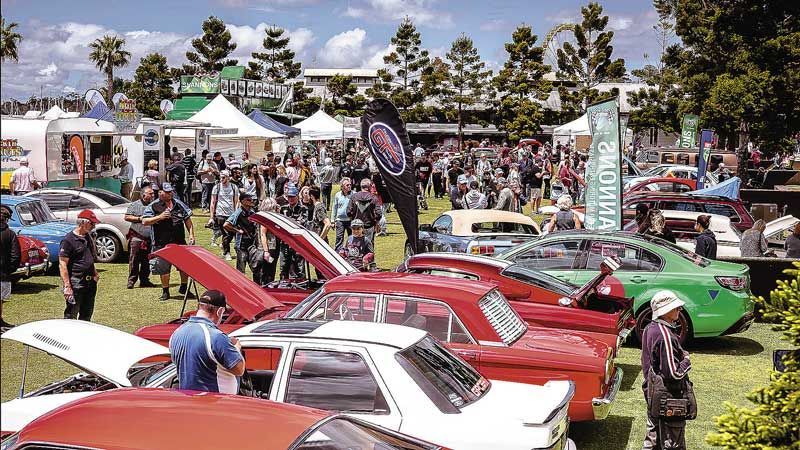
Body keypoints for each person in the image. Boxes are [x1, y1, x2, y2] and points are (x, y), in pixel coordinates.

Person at [641, 290, 693, 450]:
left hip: (653, 392)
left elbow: (648, 362)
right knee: (673, 443)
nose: (680, 310)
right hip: (669, 396)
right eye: (676, 307)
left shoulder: (650, 328)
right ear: (665, 311)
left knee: (653, 439)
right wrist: (686, 361)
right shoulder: (665, 336)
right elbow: (673, 373)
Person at [169, 289, 245, 394]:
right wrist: (236, 347)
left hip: (188, 401)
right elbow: (239, 369)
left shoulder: (176, 334)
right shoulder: (216, 337)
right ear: (220, 311)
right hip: (216, 403)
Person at [142, 182, 196, 301]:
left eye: (170, 191)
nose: (170, 193)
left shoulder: (178, 204)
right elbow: (145, 221)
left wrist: (191, 235)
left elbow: (187, 220)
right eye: (167, 192)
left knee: (184, 266)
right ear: (160, 192)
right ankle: (165, 291)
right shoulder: (153, 206)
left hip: (179, 242)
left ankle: (183, 287)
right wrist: (159, 217)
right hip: (162, 243)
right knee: (163, 267)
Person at [59, 210, 101, 321]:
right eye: (92, 223)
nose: (94, 226)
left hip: (90, 282)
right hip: (76, 282)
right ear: (83, 223)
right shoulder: (69, 240)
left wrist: (95, 273)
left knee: (87, 315)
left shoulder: (88, 237)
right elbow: (62, 264)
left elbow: (89, 258)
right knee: (71, 315)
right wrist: (67, 286)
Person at [124, 186, 157, 289]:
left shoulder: (155, 205)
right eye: (150, 194)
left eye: (153, 194)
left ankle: (144, 280)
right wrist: (139, 218)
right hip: (137, 237)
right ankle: (131, 281)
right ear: (143, 195)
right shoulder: (134, 205)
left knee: (147, 260)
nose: (152, 195)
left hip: (150, 237)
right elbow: (127, 217)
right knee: (134, 260)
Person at [224, 193, 259, 279]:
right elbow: (226, 225)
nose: (251, 201)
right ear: (243, 201)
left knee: (256, 268)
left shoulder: (252, 212)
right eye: (249, 200)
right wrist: (237, 231)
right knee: (241, 271)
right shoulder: (238, 213)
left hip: (252, 244)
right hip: (241, 245)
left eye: (252, 199)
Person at [209, 170, 239, 260]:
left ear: (228, 177)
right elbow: (213, 202)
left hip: (231, 214)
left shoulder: (234, 187)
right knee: (225, 233)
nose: (221, 179)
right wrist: (211, 217)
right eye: (220, 177)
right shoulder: (216, 187)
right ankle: (227, 253)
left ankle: (223, 244)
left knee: (232, 233)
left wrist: (236, 213)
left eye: (223, 177)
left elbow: (236, 201)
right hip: (220, 213)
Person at [279, 184, 307, 279]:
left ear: (297, 197)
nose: (290, 199)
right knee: (283, 267)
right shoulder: (283, 209)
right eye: (289, 197)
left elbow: (300, 224)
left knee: (299, 267)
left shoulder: (303, 209)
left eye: (292, 197)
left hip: (298, 242)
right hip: (285, 242)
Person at [0, 206, 20, 332]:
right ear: (6, 220)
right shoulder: (10, 234)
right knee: (0, 299)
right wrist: (10, 270)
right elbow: (15, 256)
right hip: (3, 274)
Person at [347, 178, 381, 244]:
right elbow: (378, 214)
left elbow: (348, 212)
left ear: (361, 186)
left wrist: (353, 220)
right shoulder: (373, 198)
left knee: (355, 245)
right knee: (369, 246)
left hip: (356, 226)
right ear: (369, 186)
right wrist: (376, 223)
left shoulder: (354, 197)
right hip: (369, 225)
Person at [257, 198, 280, 285]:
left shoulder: (272, 217)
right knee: (266, 271)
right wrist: (266, 251)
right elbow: (263, 234)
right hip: (268, 248)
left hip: (274, 247)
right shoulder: (265, 218)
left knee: (272, 270)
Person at [331, 177, 353, 251]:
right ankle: (338, 253)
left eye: (350, 184)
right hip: (340, 220)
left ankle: (351, 252)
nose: (349, 186)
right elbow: (334, 208)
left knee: (352, 238)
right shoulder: (337, 195)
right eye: (347, 185)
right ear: (342, 186)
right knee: (339, 238)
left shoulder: (354, 194)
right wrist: (332, 221)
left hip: (350, 220)